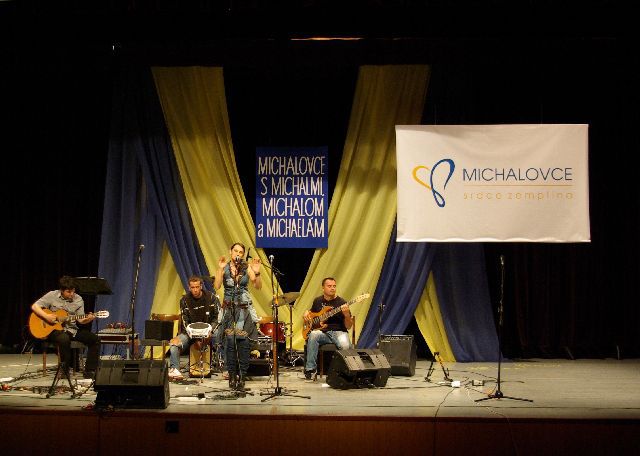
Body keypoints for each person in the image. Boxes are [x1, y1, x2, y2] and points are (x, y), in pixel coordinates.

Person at [213, 242, 267, 390]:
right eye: (236, 251)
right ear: (230, 252)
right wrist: (220, 269)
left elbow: (258, 286)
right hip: (229, 309)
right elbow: (217, 286)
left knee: (242, 342)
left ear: (243, 255)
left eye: (241, 252)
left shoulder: (246, 267)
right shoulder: (224, 267)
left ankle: (242, 375)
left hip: (243, 309)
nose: (238, 254)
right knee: (230, 341)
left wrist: (257, 272)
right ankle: (231, 375)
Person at [31, 276, 101, 378]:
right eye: (68, 292)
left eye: (73, 291)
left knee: (95, 339)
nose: (72, 294)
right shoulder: (52, 295)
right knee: (64, 338)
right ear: (61, 290)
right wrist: (46, 316)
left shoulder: (78, 299)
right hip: (54, 330)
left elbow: (81, 320)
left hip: (72, 329)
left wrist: (89, 318)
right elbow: (35, 306)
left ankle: (90, 371)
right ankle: (64, 371)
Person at [168, 276, 220, 380]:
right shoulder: (184, 300)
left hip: (208, 331)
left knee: (224, 337)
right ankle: (175, 370)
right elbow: (185, 321)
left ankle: (226, 369)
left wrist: (210, 331)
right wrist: (196, 338)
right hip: (190, 333)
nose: (195, 290)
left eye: (197, 287)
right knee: (174, 345)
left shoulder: (211, 297)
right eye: (192, 287)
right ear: (189, 287)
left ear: (201, 286)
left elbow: (217, 318)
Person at [303, 277, 354, 380]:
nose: (332, 288)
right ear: (323, 288)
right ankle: (310, 370)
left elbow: (348, 326)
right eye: (329, 286)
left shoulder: (342, 302)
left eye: (334, 286)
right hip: (323, 333)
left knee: (346, 346)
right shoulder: (317, 301)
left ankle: (345, 373)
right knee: (313, 334)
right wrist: (306, 312)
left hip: (339, 332)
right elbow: (313, 314)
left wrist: (347, 315)